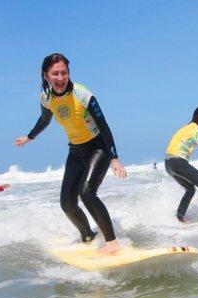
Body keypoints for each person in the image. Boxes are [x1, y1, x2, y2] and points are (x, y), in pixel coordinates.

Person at [14, 53, 127, 255]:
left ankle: (112, 242)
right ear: (46, 76)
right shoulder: (46, 97)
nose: (60, 78)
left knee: (87, 193)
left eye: (64, 73)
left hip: (98, 147)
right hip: (75, 150)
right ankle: (88, 236)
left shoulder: (84, 96)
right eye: (55, 73)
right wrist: (30, 137)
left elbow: (104, 126)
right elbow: (44, 119)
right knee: (67, 203)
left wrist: (114, 157)